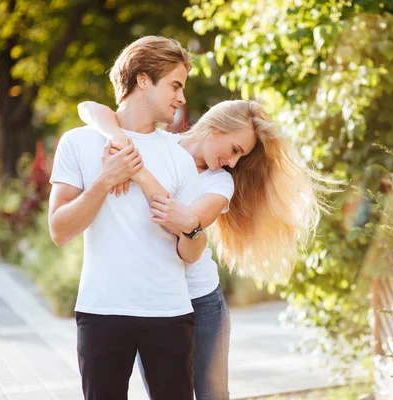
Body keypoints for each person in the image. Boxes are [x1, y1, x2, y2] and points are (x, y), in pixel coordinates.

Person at [77, 98, 334, 400]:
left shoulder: (220, 182)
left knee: (213, 396)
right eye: (236, 150)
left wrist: (137, 171)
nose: (234, 162)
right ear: (217, 127)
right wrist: (118, 140)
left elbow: (184, 225)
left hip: (201, 303)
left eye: (241, 156)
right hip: (155, 302)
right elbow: (89, 109)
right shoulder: (161, 145)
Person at [48, 36, 207, 400]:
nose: (182, 98)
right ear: (144, 80)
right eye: (175, 85)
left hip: (169, 311)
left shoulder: (178, 156)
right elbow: (59, 231)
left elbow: (192, 251)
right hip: (102, 310)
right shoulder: (78, 143)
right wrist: (105, 180)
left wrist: (191, 227)